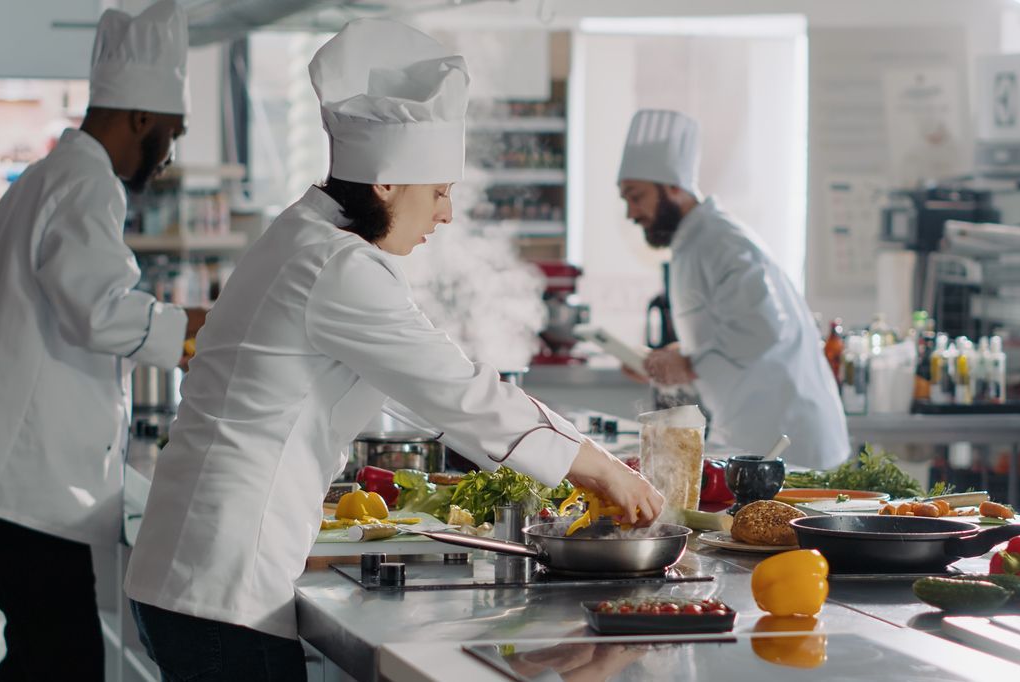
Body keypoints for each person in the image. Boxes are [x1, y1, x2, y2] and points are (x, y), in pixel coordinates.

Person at [125, 19, 663, 681]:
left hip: (198, 568)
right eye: (438, 191)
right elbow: (456, 391)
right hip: (222, 583)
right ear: (384, 183)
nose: (445, 213)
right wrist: (601, 468)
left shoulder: (303, 235)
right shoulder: (337, 265)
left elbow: (418, 387)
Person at [0, 1, 206, 679]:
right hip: (22, 486)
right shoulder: (87, 183)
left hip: (9, 480)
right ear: (139, 118)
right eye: (170, 133)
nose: (168, 154)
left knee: (44, 659)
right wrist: (199, 329)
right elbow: (99, 311)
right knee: (62, 664)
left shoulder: (47, 176)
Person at [617, 109, 849, 470]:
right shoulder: (693, 243)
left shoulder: (721, 241)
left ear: (674, 187)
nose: (631, 213)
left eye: (636, 197)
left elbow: (762, 328)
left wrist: (688, 364)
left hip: (789, 436)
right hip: (754, 432)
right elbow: (728, 328)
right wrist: (667, 359)